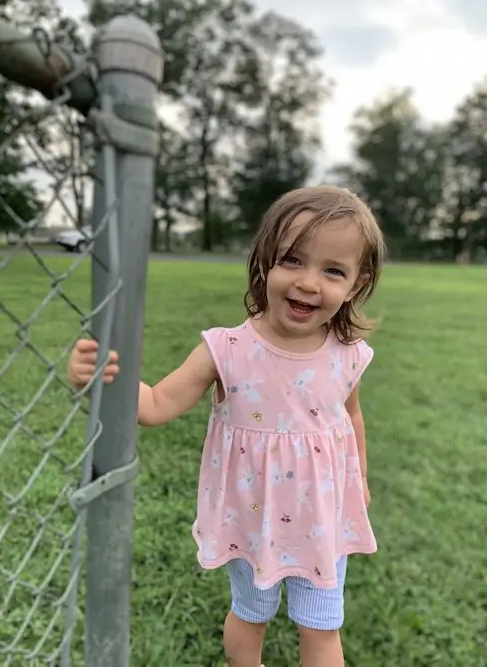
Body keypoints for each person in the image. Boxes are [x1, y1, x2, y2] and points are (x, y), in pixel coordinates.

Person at [68, 185, 386, 667]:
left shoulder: (347, 356)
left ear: (356, 285)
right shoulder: (226, 350)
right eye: (293, 260)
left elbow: (351, 415)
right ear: (264, 261)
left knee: (322, 628)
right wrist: (102, 379)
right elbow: (156, 404)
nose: (308, 282)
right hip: (251, 517)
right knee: (250, 616)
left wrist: (360, 475)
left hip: (322, 517)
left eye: (333, 271)